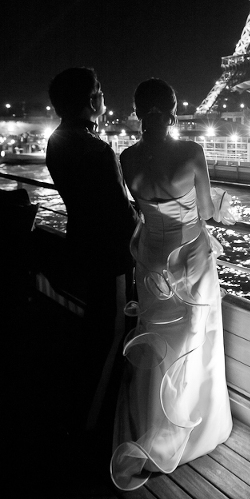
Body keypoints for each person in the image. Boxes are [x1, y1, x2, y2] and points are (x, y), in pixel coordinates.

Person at [110, 78, 233, 491]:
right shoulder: (191, 153)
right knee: (191, 343)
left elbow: (140, 210)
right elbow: (206, 212)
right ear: (173, 109)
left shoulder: (126, 158)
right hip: (190, 261)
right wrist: (226, 205)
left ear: (138, 109)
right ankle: (185, 432)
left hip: (149, 261)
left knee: (156, 341)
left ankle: (150, 425)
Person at [46, 67, 138, 434]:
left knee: (93, 331)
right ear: (90, 101)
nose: (103, 96)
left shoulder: (56, 140)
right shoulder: (98, 150)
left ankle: (79, 409)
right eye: (99, 90)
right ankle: (91, 426)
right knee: (113, 334)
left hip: (80, 246)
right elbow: (121, 212)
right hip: (110, 256)